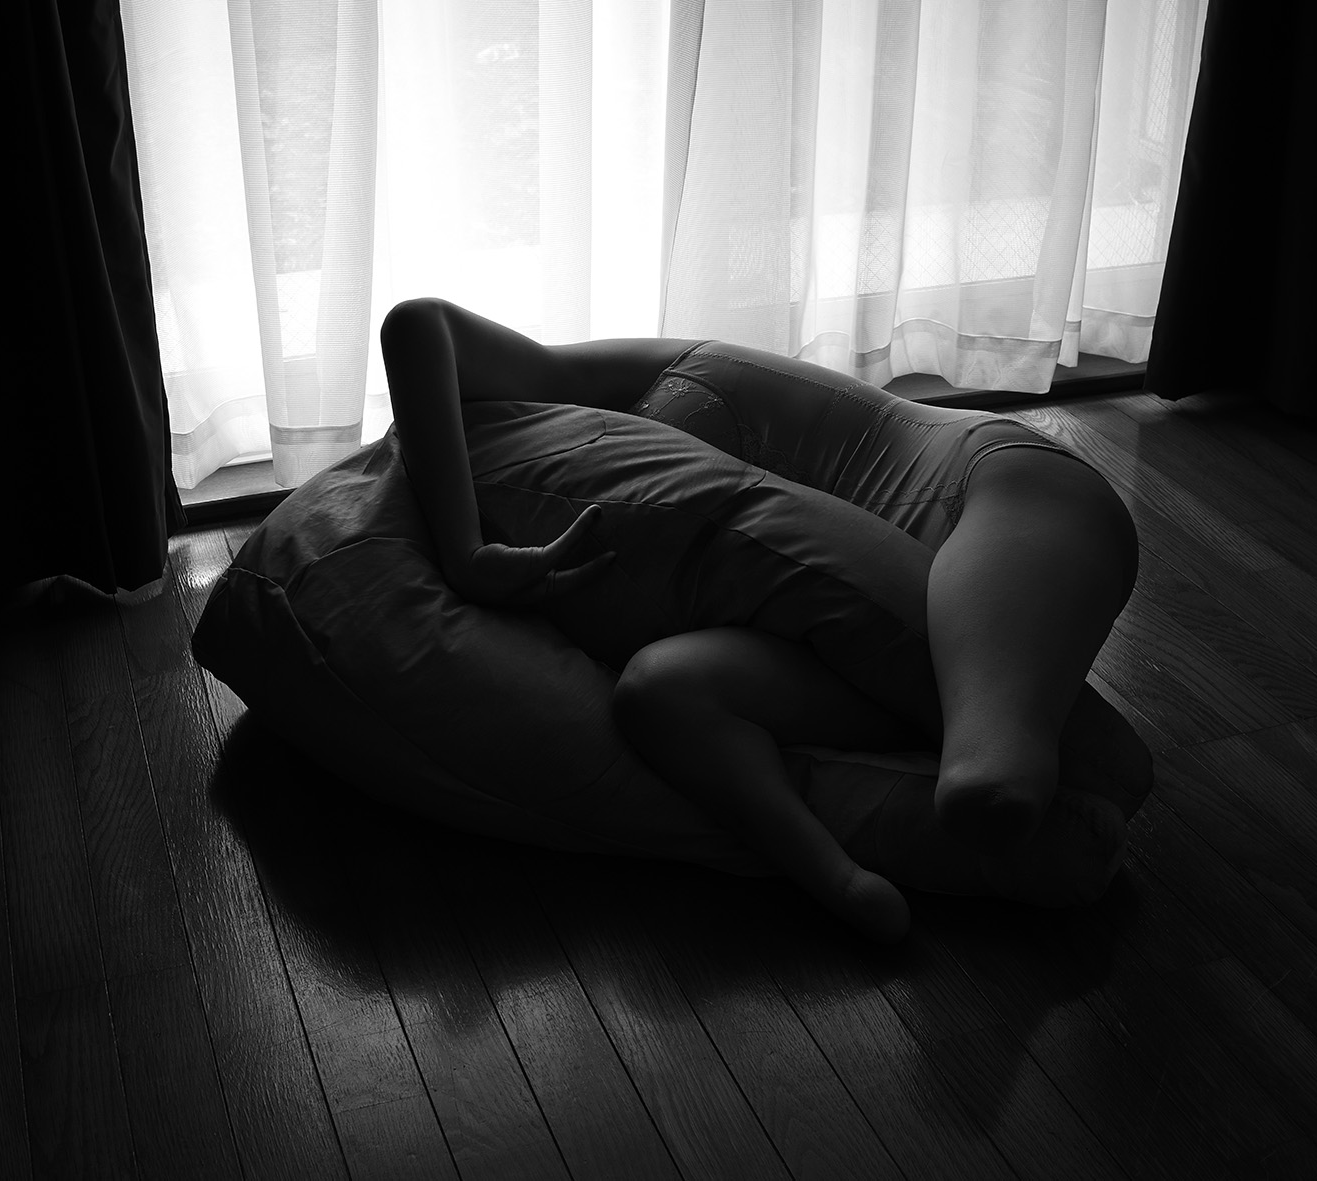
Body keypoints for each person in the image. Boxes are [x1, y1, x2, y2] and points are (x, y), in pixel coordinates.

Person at [382, 296, 1149, 943]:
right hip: (851, 621)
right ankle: (840, 882)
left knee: (991, 769)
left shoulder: (600, 377)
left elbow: (418, 325)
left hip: (989, 491)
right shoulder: (580, 486)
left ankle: (1016, 775)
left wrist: (464, 550)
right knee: (661, 687)